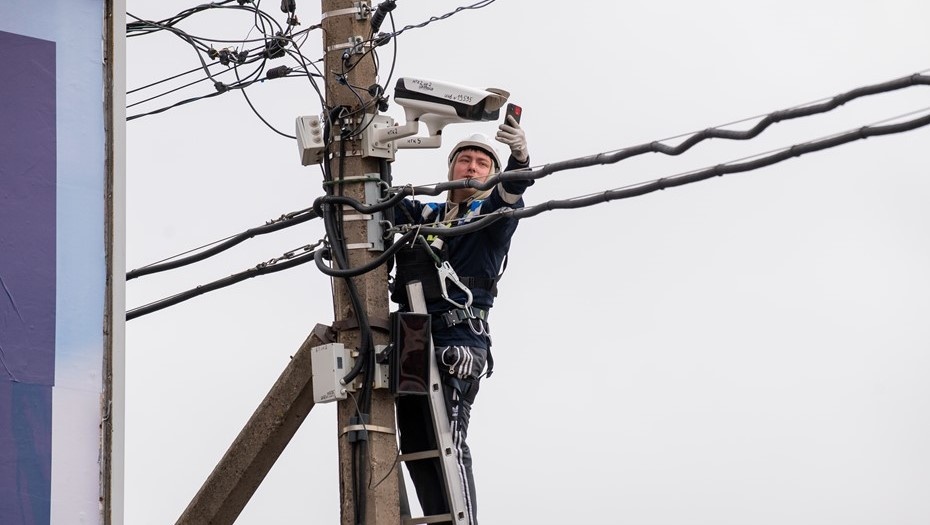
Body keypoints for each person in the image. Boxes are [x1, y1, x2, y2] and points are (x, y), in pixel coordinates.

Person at [391, 114, 531, 525]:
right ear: (450, 167)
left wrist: (520, 159)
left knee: (448, 439)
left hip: (458, 340)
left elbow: (510, 194)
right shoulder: (429, 214)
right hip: (413, 340)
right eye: (464, 159)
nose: (471, 167)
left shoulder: (489, 216)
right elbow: (381, 199)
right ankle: (438, 519)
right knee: (415, 440)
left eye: (482, 162)